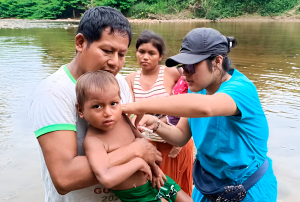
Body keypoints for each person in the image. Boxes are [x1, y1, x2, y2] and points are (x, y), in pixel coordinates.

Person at [122, 28, 277, 202]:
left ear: (218, 61)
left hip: (247, 188)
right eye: (182, 67)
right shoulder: (197, 92)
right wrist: (156, 124)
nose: (185, 73)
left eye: (190, 66)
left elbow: (206, 108)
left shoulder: (241, 89)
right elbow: (180, 136)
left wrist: (139, 106)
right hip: (209, 185)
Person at [28, 7, 162, 202]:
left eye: (122, 54)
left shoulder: (120, 84)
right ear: (81, 43)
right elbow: (64, 178)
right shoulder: (53, 94)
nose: (115, 62)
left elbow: (130, 135)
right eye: (107, 51)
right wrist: (135, 150)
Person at [75, 70, 193, 202]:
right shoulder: (94, 141)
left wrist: (155, 169)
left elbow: (145, 145)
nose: (108, 112)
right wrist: (138, 162)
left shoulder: (122, 119)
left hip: (156, 180)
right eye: (97, 106)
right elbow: (106, 178)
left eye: (113, 103)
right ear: (80, 110)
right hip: (139, 196)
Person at [126, 29, 194, 196]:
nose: (145, 57)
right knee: (156, 191)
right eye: (141, 52)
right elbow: (131, 114)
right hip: (149, 144)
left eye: (151, 53)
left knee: (179, 190)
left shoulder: (170, 72)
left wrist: (180, 140)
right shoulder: (130, 79)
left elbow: (189, 98)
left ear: (160, 56)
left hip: (174, 142)